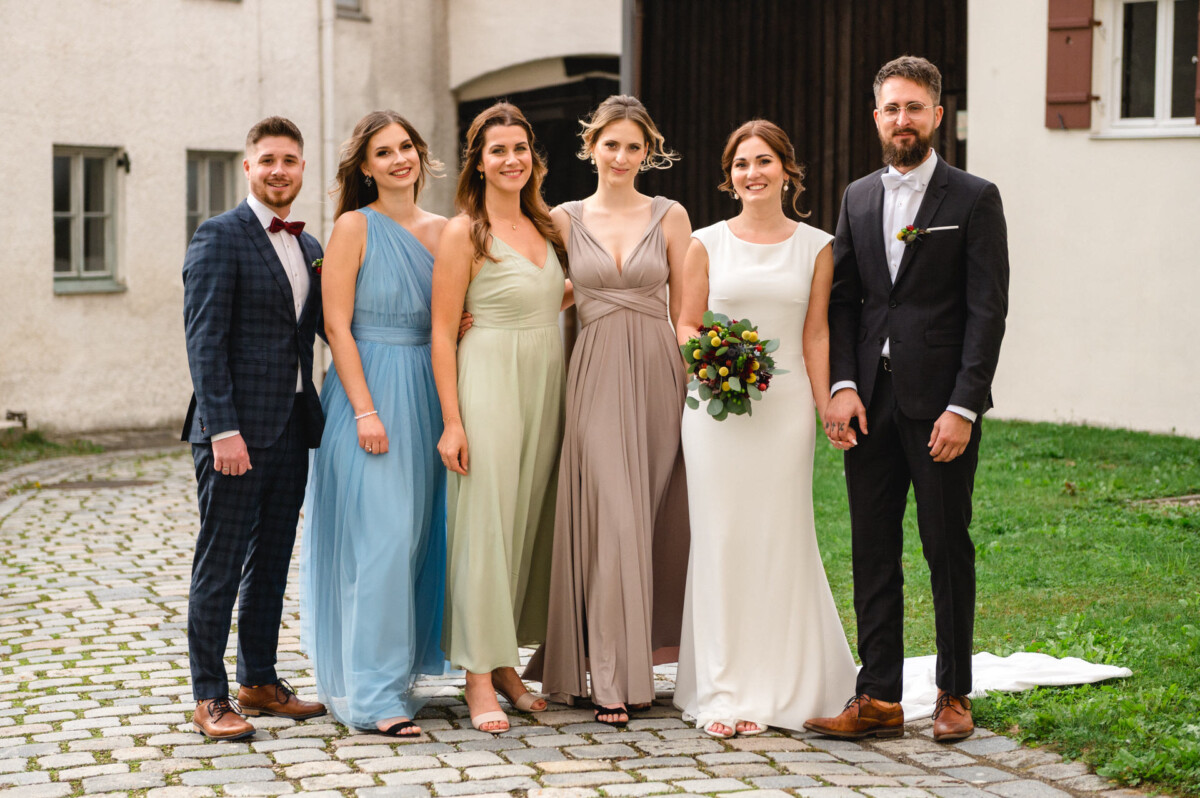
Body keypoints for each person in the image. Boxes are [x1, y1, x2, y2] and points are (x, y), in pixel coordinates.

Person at [806, 55, 1009, 743]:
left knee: (945, 546)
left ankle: (953, 693)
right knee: (871, 548)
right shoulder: (858, 196)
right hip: (870, 404)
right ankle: (880, 697)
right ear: (876, 117)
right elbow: (843, 303)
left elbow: (987, 312)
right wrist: (840, 386)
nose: (902, 120)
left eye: (914, 107)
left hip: (941, 407)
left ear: (936, 115)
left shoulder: (974, 198)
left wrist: (964, 406)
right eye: (891, 108)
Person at [672, 120, 858, 738]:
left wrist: (828, 399)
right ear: (729, 178)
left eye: (765, 161)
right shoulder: (706, 242)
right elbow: (687, 324)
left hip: (783, 414)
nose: (753, 173)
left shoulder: (817, 246)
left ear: (787, 170)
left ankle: (783, 682)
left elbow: (816, 333)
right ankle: (723, 690)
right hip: (717, 414)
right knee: (722, 539)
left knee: (780, 537)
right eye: (742, 164)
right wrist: (720, 363)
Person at [523, 95, 692, 727]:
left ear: (648, 153)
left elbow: (686, 313)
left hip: (657, 375)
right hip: (593, 371)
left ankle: (626, 660)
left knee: (645, 516)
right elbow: (549, 290)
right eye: (611, 144)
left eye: (633, 147)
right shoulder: (562, 218)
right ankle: (612, 678)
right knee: (613, 516)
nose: (621, 157)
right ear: (591, 146)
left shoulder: (670, 215)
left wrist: (708, 372)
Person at [299, 111, 450, 737]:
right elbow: (336, 326)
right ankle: (373, 695)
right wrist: (364, 409)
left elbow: (460, 312)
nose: (398, 160)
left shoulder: (447, 231)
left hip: (430, 390)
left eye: (406, 148)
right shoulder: (352, 227)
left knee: (420, 539)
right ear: (365, 166)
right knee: (380, 543)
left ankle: (404, 675)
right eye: (383, 152)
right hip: (368, 394)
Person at [181, 116, 326, 740]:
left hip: (293, 426)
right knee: (220, 562)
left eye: (290, 160)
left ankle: (259, 680)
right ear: (249, 166)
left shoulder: (310, 246)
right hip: (234, 433)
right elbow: (203, 342)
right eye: (268, 159)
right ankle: (210, 696)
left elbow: (329, 327)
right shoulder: (219, 236)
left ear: (301, 168)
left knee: (270, 561)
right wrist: (222, 430)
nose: (279, 170)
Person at [431, 102, 567, 734]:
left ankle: (507, 663)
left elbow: (558, 291)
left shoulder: (550, 227)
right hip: (486, 377)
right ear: (478, 163)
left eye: (520, 149)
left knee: (526, 522)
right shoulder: (466, 232)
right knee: (485, 525)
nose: (511, 159)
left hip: (547, 379)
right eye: (497, 151)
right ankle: (477, 678)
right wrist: (452, 422)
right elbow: (440, 331)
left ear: (533, 159)